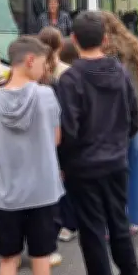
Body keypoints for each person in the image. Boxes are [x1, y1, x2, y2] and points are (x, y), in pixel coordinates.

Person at [55, 11, 138, 275]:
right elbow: (134, 119)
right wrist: (118, 144)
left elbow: (68, 129)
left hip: (83, 165)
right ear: (105, 39)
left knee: (92, 231)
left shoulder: (70, 79)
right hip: (115, 161)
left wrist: (63, 163)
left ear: (73, 39)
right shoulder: (120, 71)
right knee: (118, 224)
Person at [0, 36, 63, 275]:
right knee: (41, 258)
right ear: (29, 60)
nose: (43, 70)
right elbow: (56, 138)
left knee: (8, 259)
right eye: (41, 63)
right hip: (43, 191)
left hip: (8, 193)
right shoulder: (46, 95)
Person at [102, 11, 138, 234]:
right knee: (137, 170)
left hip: (118, 122)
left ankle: (115, 218)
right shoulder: (135, 48)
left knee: (113, 174)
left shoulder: (107, 53)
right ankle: (135, 219)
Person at [38, 26, 77, 243]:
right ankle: (68, 223)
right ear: (60, 45)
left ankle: (54, 219)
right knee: (65, 178)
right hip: (60, 130)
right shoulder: (65, 71)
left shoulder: (38, 68)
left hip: (44, 133)